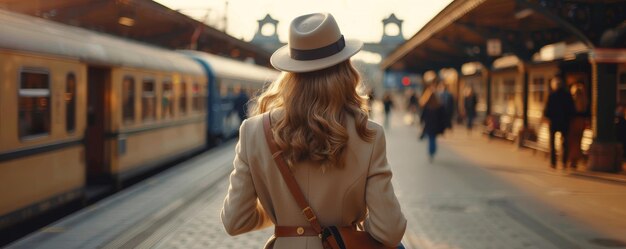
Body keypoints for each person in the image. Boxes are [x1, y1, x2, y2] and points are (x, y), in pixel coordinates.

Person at [221, 13, 406, 249]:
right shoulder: (369, 134)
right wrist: (349, 228)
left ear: (290, 73)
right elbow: (389, 230)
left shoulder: (253, 130)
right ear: (346, 69)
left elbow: (235, 220)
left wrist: (283, 212)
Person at [543, 77, 576, 169]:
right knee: (565, 143)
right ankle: (564, 162)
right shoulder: (567, 95)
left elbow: (547, 110)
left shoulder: (551, 96)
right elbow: (572, 109)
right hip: (565, 122)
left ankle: (553, 163)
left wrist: (548, 118)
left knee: (552, 143)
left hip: (553, 123)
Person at [419, 86, 446, 162]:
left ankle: (431, 151)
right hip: (436, 126)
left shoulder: (427, 105)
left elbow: (423, 115)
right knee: (433, 138)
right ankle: (432, 150)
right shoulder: (439, 106)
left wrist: (421, 122)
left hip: (429, 125)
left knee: (431, 138)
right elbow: (442, 117)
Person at [567, 82, 588, 169]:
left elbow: (570, 112)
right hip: (581, 123)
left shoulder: (572, 101)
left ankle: (572, 160)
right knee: (578, 142)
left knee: (573, 142)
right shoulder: (584, 100)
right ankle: (575, 160)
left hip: (574, 122)